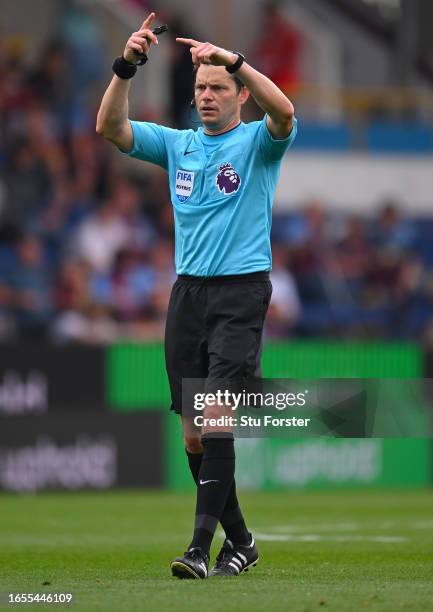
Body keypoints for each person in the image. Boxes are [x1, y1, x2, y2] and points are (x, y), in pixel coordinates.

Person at [96, 11, 297, 579]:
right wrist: (126, 67)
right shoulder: (178, 145)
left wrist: (235, 59)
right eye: (201, 88)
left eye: (218, 88)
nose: (206, 97)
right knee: (192, 431)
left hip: (240, 292)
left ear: (238, 95)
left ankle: (198, 548)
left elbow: (284, 111)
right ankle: (242, 542)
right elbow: (110, 128)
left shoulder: (259, 143)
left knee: (216, 417)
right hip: (188, 295)